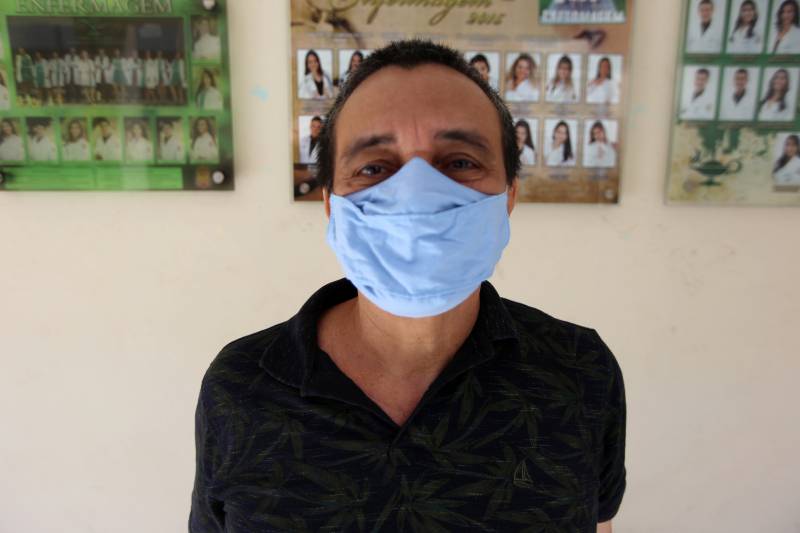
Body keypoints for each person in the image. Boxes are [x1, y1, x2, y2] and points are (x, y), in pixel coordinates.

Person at [190, 40, 625, 533]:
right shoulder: (240, 388)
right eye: (373, 168)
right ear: (330, 205)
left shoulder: (580, 372)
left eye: (459, 162)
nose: (416, 195)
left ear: (509, 196)